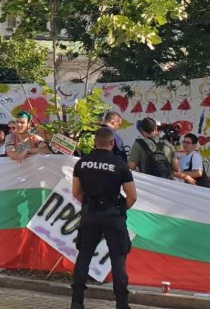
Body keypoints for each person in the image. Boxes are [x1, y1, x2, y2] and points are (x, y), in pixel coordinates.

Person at [71, 127, 136, 309]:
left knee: (83, 256)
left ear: (94, 142)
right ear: (112, 142)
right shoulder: (120, 165)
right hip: (112, 213)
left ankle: (77, 302)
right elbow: (132, 196)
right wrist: (119, 210)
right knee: (118, 258)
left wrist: (89, 205)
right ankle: (122, 304)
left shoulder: (82, 163)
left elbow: (75, 192)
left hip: (89, 213)